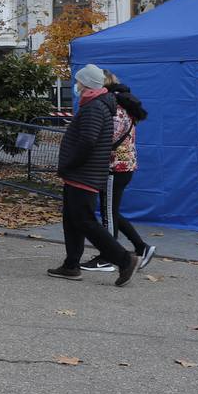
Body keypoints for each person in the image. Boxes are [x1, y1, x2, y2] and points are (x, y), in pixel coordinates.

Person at [48, 63, 138, 286]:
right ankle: (71, 265)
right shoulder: (96, 105)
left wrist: (71, 163)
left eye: (78, 82)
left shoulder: (94, 107)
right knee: (72, 220)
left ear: (87, 84)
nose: (76, 86)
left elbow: (88, 140)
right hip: (82, 173)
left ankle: (124, 259)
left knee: (86, 221)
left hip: (83, 173)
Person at [81, 71, 155, 273]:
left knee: (108, 213)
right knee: (111, 211)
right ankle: (141, 247)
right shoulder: (124, 105)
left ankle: (107, 256)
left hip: (115, 167)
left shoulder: (115, 108)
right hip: (123, 165)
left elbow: (106, 137)